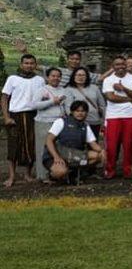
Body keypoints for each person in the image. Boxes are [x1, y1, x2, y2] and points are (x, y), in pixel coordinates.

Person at [2, 54, 45, 186]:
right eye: (26, 63)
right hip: (16, 116)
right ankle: (12, 176)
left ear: (35, 65)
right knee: (14, 146)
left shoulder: (39, 80)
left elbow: (44, 98)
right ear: (21, 64)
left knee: (31, 145)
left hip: (33, 115)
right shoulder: (12, 79)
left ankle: (27, 174)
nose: (29, 65)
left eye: (32, 63)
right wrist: (6, 117)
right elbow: (4, 98)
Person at [42, 100, 105, 183]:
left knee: (98, 156)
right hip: (58, 154)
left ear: (86, 113)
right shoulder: (61, 122)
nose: (80, 113)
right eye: (77, 111)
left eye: (83, 111)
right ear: (72, 112)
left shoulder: (85, 126)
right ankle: (52, 176)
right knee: (60, 172)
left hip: (75, 155)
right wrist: (56, 156)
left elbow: (93, 143)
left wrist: (102, 151)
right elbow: (49, 140)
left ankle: (73, 174)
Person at [101, 55, 132, 180]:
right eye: (117, 65)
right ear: (113, 67)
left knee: (129, 145)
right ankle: (110, 170)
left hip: (130, 115)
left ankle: (128, 171)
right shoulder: (108, 80)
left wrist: (123, 88)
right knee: (111, 146)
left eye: (122, 64)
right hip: (113, 116)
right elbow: (111, 97)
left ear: (126, 65)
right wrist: (128, 98)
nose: (120, 67)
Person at [33, 67, 67, 181]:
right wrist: (52, 102)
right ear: (47, 77)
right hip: (44, 122)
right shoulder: (42, 90)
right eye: (53, 76)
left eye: (58, 76)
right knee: (42, 149)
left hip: (60, 122)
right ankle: (42, 175)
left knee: (57, 149)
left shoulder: (64, 90)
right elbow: (35, 105)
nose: (56, 78)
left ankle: (56, 173)